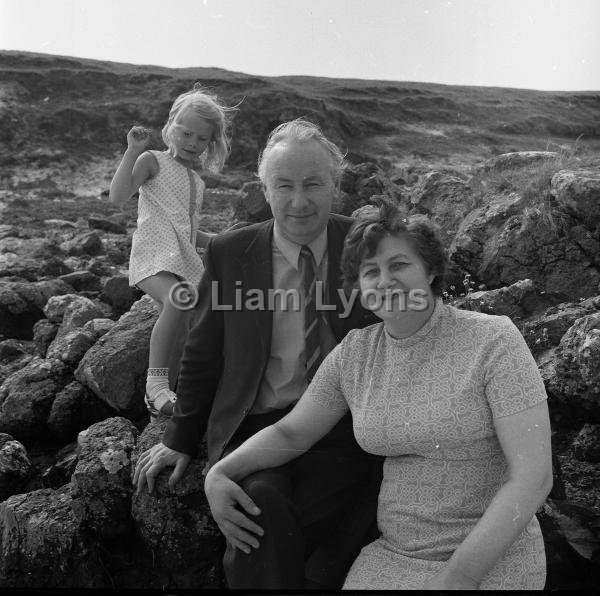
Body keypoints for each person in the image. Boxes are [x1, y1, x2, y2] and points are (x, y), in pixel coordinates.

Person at [203, 200, 553, 590]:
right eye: (370, 272)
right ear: (359, 289)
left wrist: (459, 578)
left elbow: (533, 479)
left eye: (399, 265)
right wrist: (219, 473)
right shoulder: (356, 353)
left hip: (490, 556)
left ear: (431, 270)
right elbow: (292, 433)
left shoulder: (494, 340)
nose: (384, 281)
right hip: (394, 555)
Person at [133, 119, 382, 589]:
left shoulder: (365, 245)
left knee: (292, 520)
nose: (299, 201)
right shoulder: (232, 252)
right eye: (283, 185)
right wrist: (180, 437)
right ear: (264, 189)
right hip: (255, 425)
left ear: (335, 185)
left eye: (313, 184)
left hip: (340, 429)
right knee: (260, 504)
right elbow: (204, 353)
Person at [109, 83, 233, 418]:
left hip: (181, 259)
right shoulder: (153, 161)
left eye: (202, 138)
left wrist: (222, 238)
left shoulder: (198, 182)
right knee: (180, 298)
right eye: (186, 133)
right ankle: (155, 388)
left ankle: (175, 393)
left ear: (211, 142)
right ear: (171, 127)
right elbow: (118, 197)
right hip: (152, 256)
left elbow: (190, 232)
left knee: (200, 314)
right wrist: (133, 150)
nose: (193, 143)